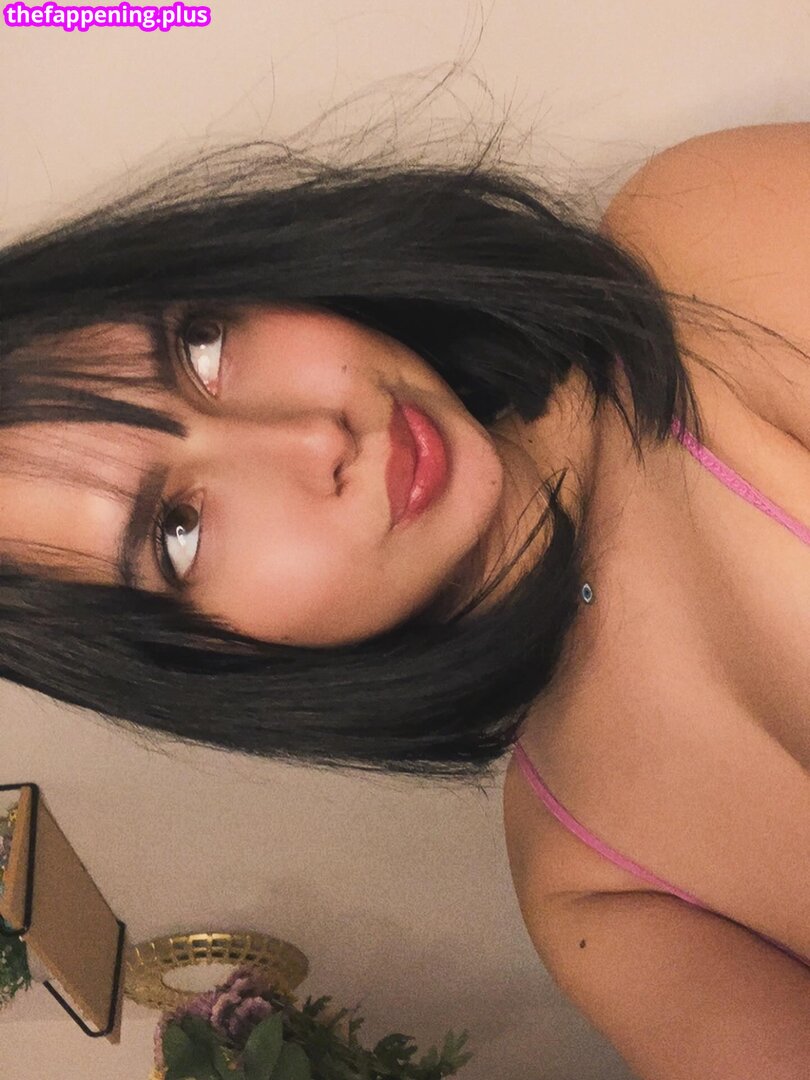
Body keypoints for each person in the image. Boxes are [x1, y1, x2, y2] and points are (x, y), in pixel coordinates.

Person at [1, 120, 808, 1076]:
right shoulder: (592, 888)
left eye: (201, 347)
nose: (314, 436)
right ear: (208, 654)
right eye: (178, 531)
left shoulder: (702, 257)